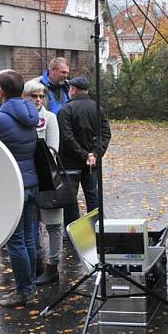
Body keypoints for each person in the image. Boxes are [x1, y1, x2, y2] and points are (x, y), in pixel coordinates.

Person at [0, 71, 40, 307]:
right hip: (31, 183)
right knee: (29, 239)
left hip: (12, 187)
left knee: (15, 242)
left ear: (1, 91)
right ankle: (31, 287)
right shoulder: (31, 114)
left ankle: (24, 291)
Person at [22, 79, 64, 285]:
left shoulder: (50, 118)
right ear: (25, 97)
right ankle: (36, 262)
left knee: (54, 226)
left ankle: (52, 265)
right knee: (32, 225)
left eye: (41, 96)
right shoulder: (20, 120)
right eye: (33, 96)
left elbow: (53, 150)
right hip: (28, 182)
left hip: (47, 182)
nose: (38, 100)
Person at [58, 76, 111, 226]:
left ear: (73, 90)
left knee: (70, 198)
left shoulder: (66, 109)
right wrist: (94, 154)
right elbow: (105, 134)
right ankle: (96, 227)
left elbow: (66, 137)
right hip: (91, 163)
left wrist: (84, 154)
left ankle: (72, 230)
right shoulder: (98, 108)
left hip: (70, 162)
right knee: (92, 194)